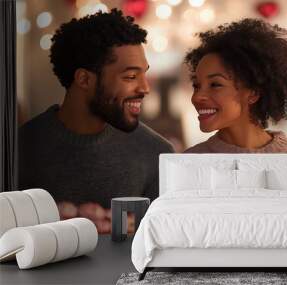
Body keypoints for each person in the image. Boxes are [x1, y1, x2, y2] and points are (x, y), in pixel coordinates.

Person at [18, 8, 174, 225]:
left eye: (144, 74)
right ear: (84, 79)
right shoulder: (18, 149)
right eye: (131, 76)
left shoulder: (157, 154)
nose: (145, 88)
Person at [184, 18, 287, 196]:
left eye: (215, 84)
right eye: (196, 86)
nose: (197, 97)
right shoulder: (187, 164)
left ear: (253, 93)